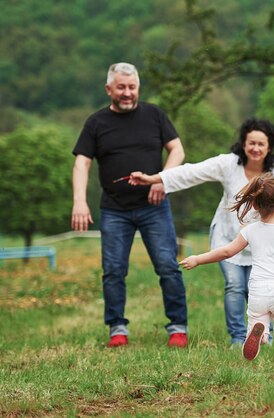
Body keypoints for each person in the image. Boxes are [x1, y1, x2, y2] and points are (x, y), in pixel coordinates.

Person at [128, 118, 274, 346]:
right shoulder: (228, 164)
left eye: (261, 144)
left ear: (269, 147)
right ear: (243, 143)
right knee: (234, 286)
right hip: (228, 238)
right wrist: (154, 179)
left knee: (259, 288)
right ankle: (238, 337)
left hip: (261, 242)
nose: (255, 148)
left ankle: (261, 336)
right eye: (251, 143)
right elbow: (192, 172)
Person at [71, 62, 188, 348]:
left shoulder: (154, 115)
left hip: (154, 206)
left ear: (138, 88)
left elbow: (177, 150)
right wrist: (79, 201)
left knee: (167, 266)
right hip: (114, 208)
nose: (127, 93)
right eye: (121, 87)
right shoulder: (96, 123)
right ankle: (117, 329)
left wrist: (162, 180)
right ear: (109, 89)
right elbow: (82, 162)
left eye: (132, 87)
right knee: (113, 270)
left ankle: (178, 328)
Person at [178, 173, 274, 381]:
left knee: (258, 320)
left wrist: (198, 258)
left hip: (259, 290)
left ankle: (259, 336)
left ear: (255, 206)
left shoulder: (250, 231)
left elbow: (226, 252)